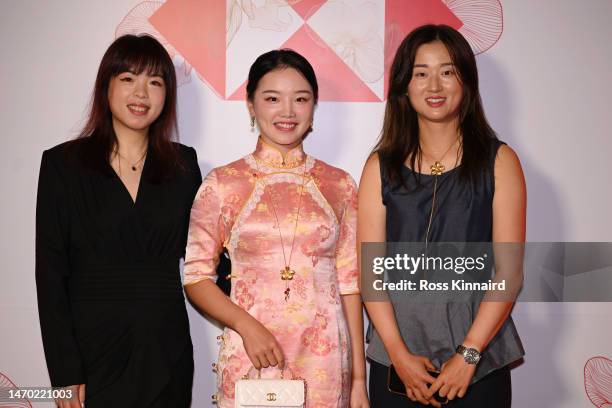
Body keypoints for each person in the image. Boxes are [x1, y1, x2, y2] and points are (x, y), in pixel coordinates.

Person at [183, 49, 369, 408]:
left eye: (301, 99)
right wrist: (247, 327)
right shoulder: (223, 183)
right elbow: (195, 277)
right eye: (272, 99)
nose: (288, 112)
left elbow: (349, 284)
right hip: (253, 356)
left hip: (325, 365)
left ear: (314, 107)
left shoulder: (340, 184)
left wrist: (359, 379)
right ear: (251, 104)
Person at [358, 24, 525, 407]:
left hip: (477, 363)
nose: (434, 85)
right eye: (421, 73)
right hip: (396, 363)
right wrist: (398, 356)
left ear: (466, 81)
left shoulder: (499, 161)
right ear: (404, 85)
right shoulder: (379, 167)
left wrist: (469, 354)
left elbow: (509, 273)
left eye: (447, 72)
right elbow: (371, 274)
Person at [35, 35, 201, 408]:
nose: (141, 92)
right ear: (106, 85)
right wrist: (65, 372)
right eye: (128, 78)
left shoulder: (184, 165)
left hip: (167, 350)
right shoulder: (62, 166)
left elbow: (206, 259)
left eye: (155, 82)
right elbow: (49, 276)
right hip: (93, 356)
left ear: (167, 95)